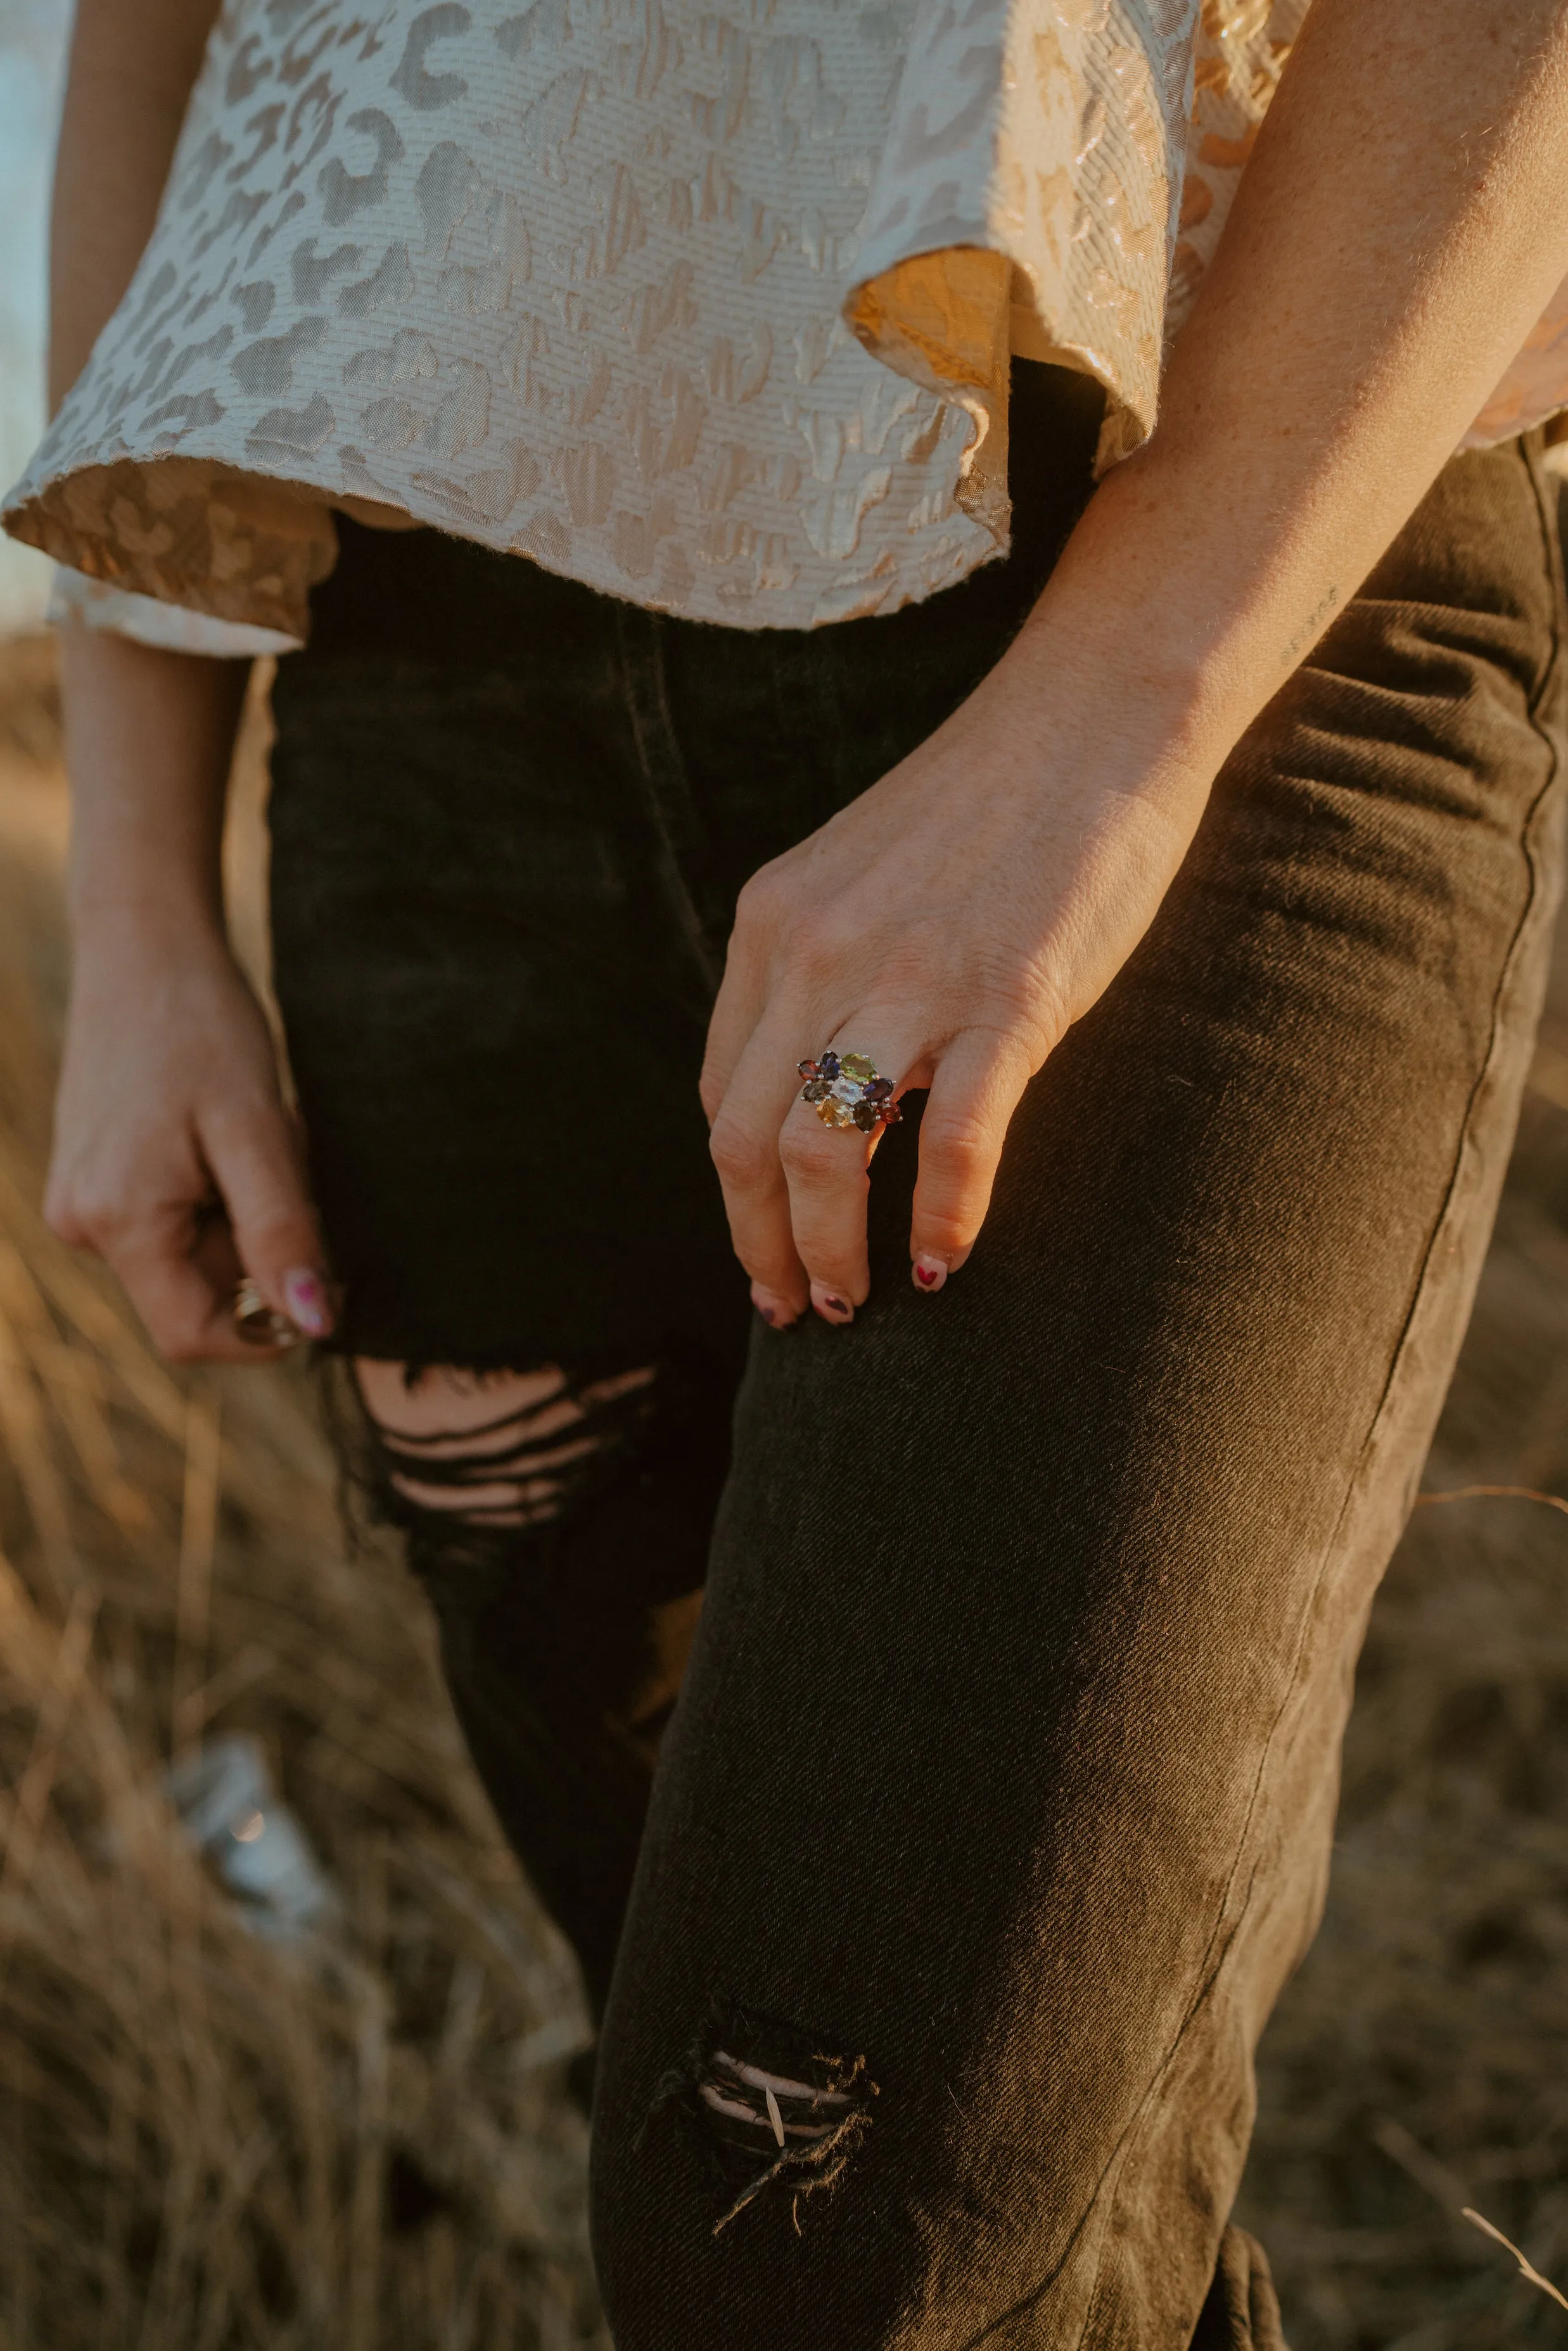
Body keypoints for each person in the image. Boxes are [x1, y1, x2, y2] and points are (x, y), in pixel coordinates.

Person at [10, 0, 1568, 2340]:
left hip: (1183, 525)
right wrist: (138, 901)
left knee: (827, 2232)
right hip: (426, 670)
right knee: (799, 2128)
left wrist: (1110, 733)